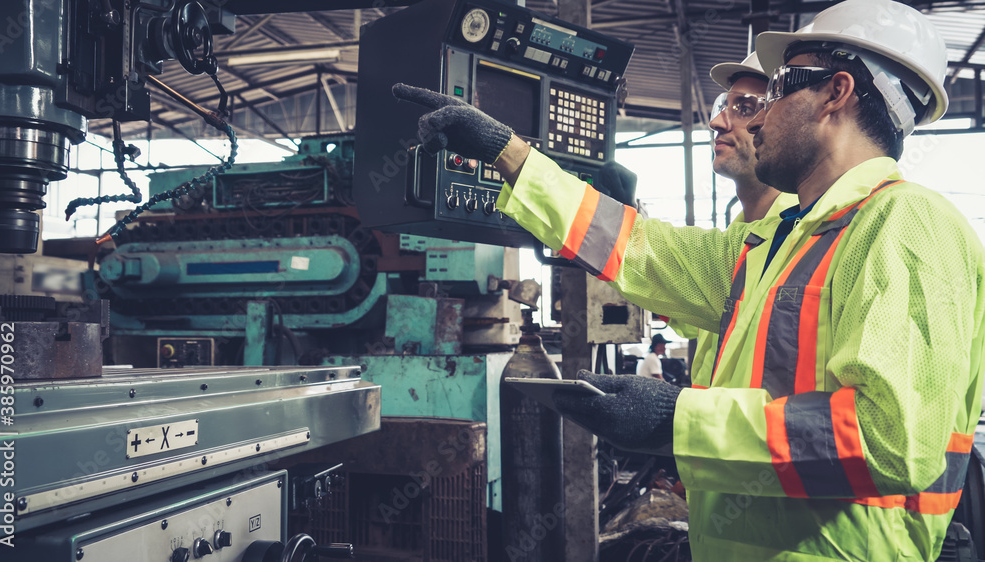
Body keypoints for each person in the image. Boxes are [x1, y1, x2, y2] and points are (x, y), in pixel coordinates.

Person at [391, 1, 985, 558]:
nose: (757, 116)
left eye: (778, 89)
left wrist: (676, 419)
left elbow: (888, 439)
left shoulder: (906, 224)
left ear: (837, 92)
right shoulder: (778, 242)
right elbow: (640, 250)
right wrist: (508, 153)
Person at [671, 52, 798, 389]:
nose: (717, 122)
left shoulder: (800, 241)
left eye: (743, 107)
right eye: (722, 106)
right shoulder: (741, 239)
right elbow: (704, 318)